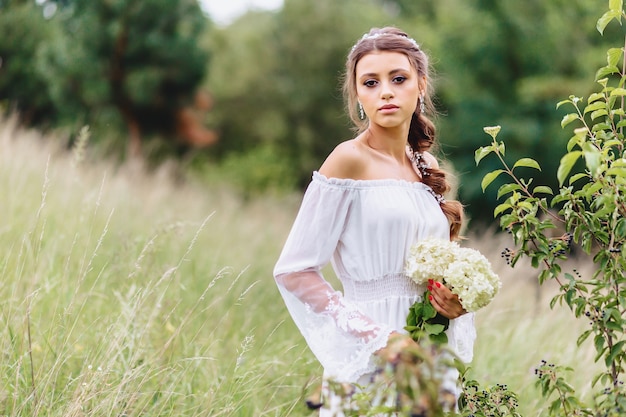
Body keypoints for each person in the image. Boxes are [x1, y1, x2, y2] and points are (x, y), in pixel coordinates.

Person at [273, 27, 476, 415]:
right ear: (358, 96)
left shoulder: (426, 166)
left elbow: (436, 264)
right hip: (370, 350)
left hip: (431, 349)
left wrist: (455, 300)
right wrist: (379, 339)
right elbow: (295, 270)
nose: (385, 91)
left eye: (398, 79)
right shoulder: (347, 160)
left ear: (421, 85)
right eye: (370, 82)